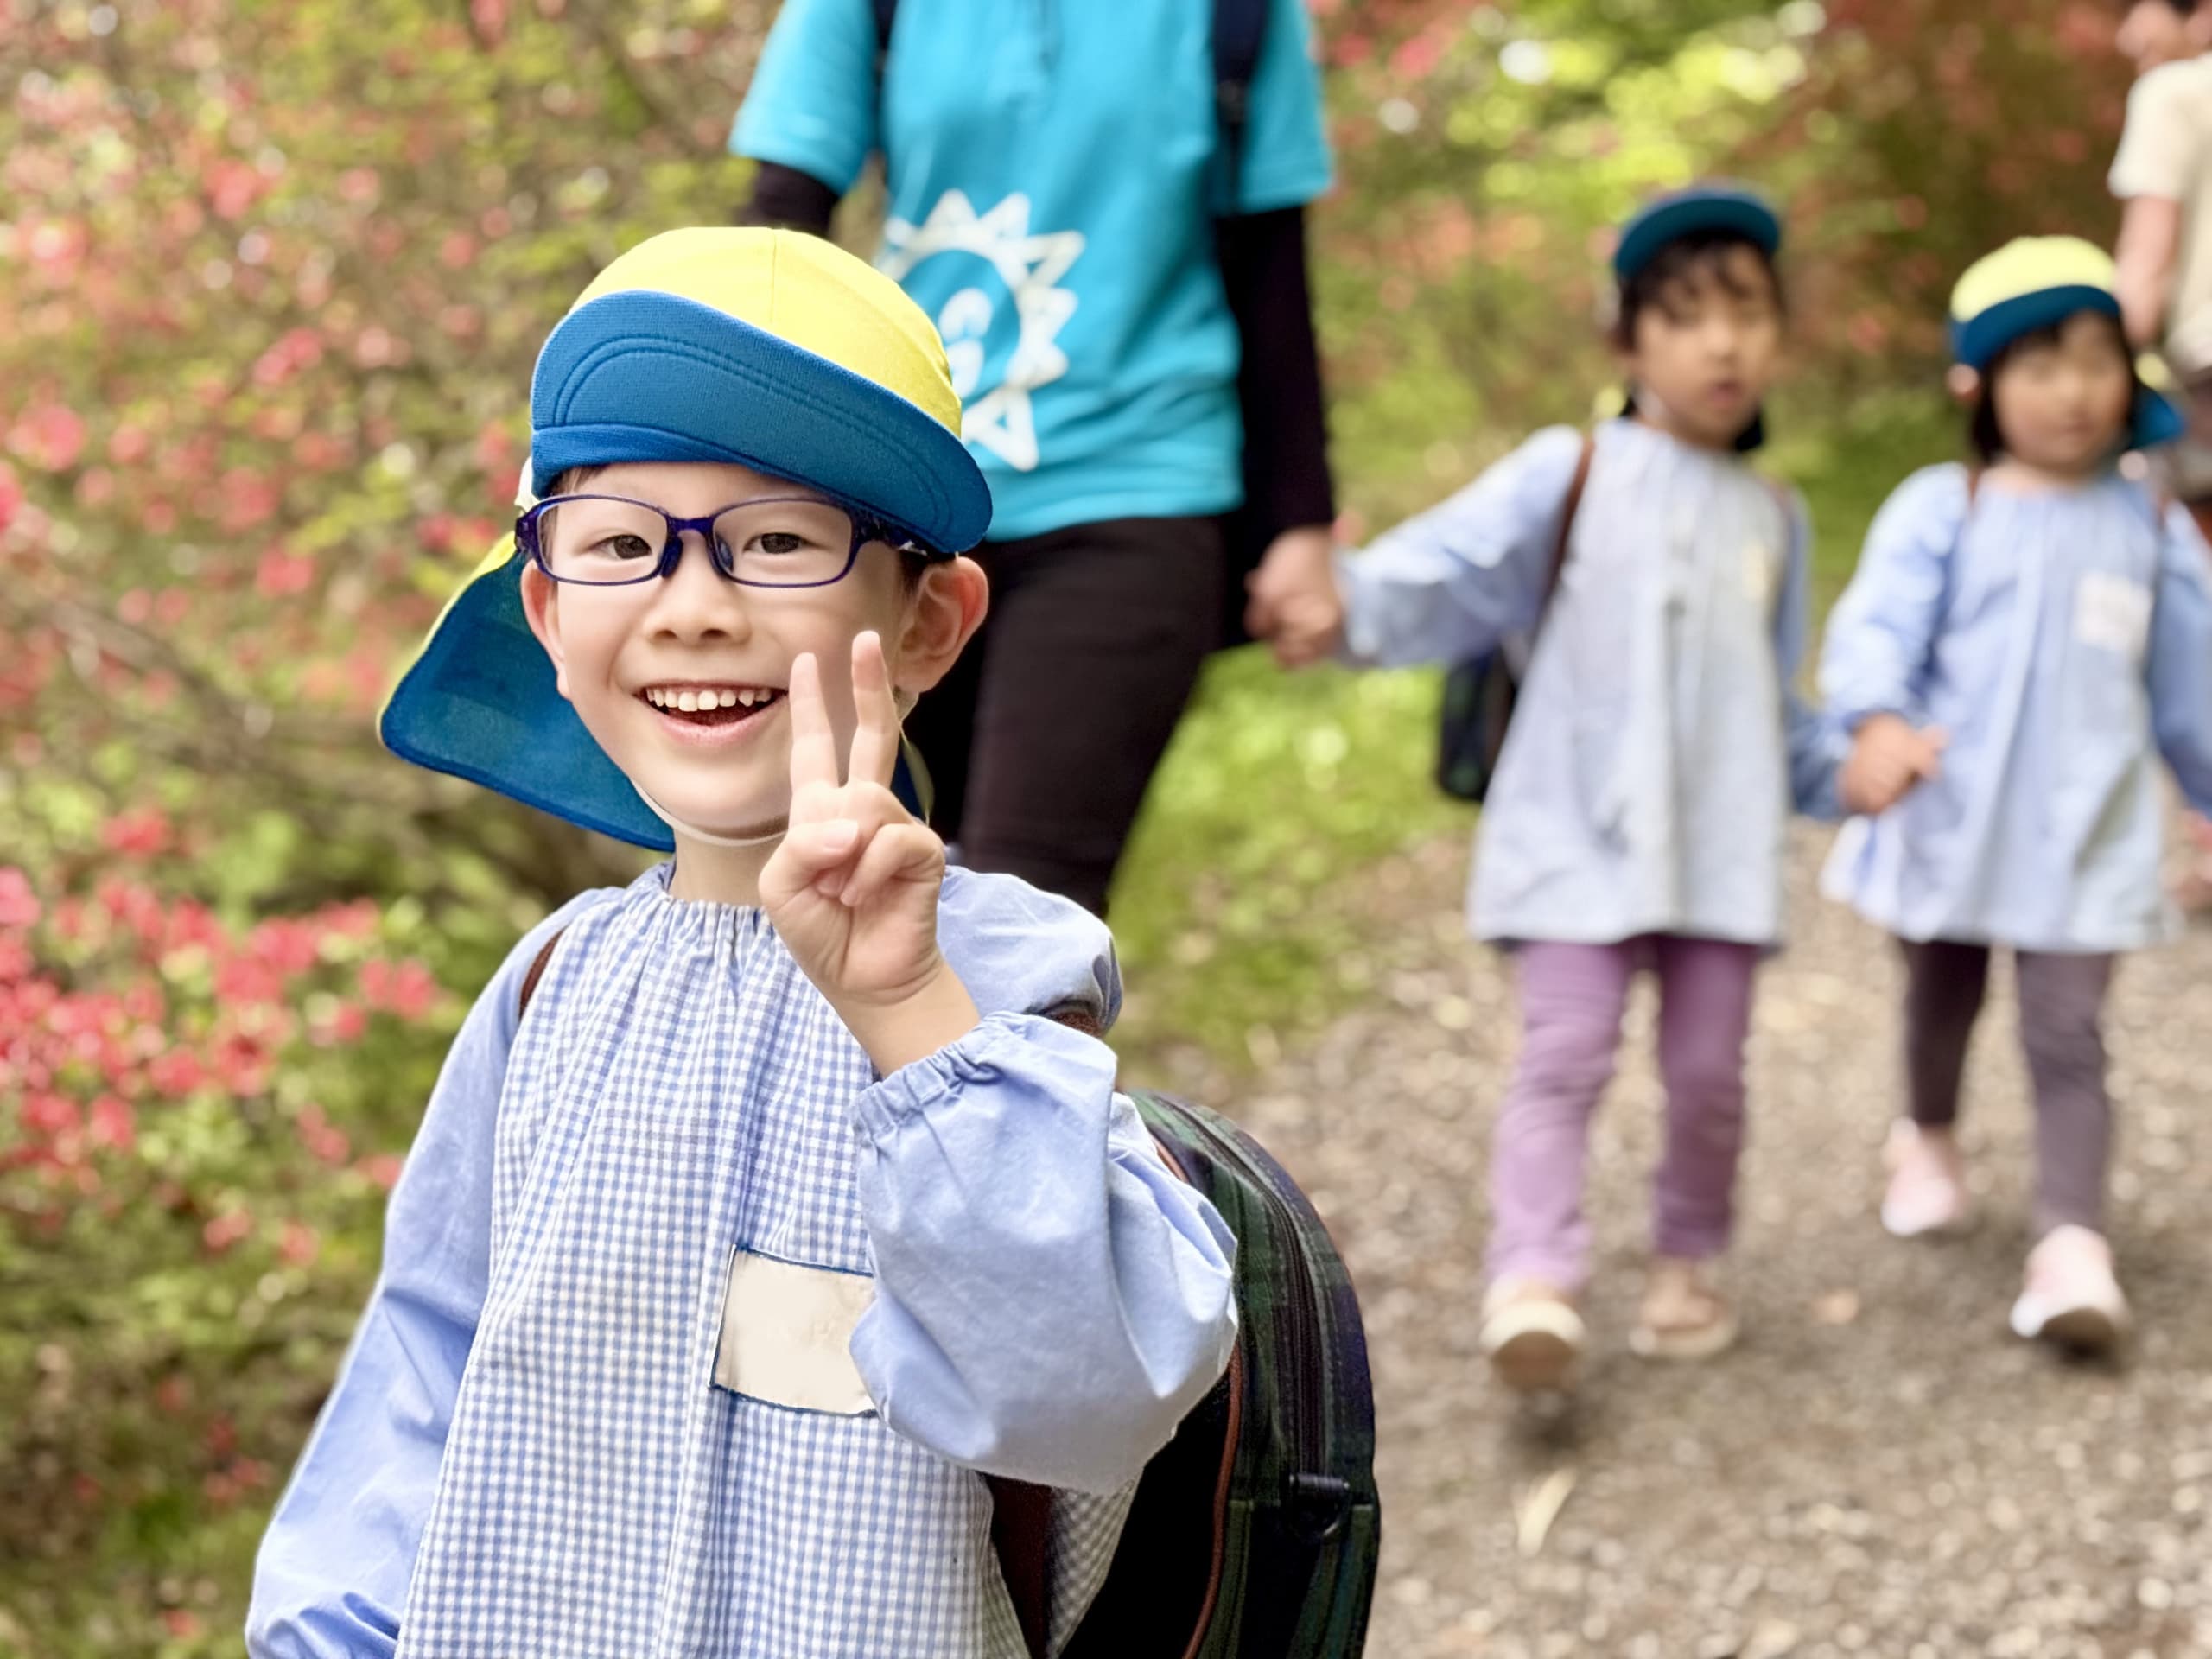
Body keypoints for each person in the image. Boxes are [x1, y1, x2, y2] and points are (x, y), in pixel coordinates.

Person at [245, 228, 1238, 1657]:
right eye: (622, 546)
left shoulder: (1004, 986)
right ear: (545, 607)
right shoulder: (548, 988)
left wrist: (906, 1013)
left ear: (930, 624)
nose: (695, 606)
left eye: (779, 540)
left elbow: (1081, 1398)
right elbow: (421, 1384)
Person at [1277, 185, 1858, 1391]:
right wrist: (1342, 595)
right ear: (1629, 340)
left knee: (1708, 1077)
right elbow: (1446, 571)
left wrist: (1848, 771)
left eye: (1746, 313)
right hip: (1574, 836)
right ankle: (1534, 1276)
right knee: (1568, 1053)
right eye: (1687, 316)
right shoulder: (1575, 469)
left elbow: (1779, 699)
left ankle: (1688, 1261)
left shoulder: (1777, 514)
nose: (1722, 343)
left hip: (1721, 851)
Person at [728, 0, 1337, 917]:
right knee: (847, 887)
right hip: (905, 501)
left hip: (1135, 483)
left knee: (1023, 911)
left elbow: (1270, 264)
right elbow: (780, 236)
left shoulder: (1239, 14)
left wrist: (1300, 523)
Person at [1821, 237, 2212, 1353]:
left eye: (2093, 360)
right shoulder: (1950, 505)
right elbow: (1877, 629)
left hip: (2082, 829)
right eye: (2038, 364)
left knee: (2069, 1030)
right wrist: (1877, 718)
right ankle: (1930, 1134)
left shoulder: (2148, 523)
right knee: (1939, 994)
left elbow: (2190, 682)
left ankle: (2072, 1243)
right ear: (1980, 386)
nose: (2072, 390)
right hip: (1954, 819)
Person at [2112, 0, 2212, 910]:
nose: (2124, 36)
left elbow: (2146, 260)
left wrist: (2082, 363)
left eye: (2133, 9)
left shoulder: (2177, 92)